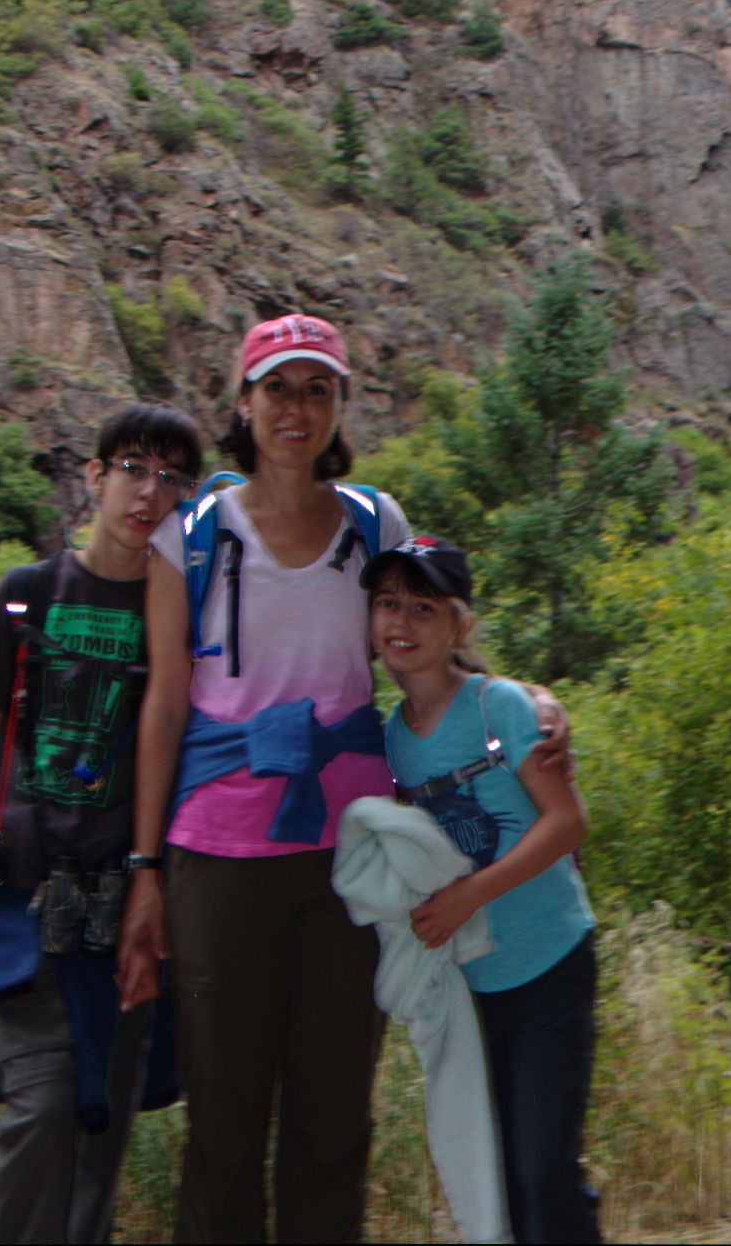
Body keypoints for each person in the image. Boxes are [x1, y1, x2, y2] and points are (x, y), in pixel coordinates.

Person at [118, 311, 570, 1244]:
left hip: (352, 855)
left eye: (317, 388)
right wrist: (144, 869)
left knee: (334, 1117)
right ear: (244, 402)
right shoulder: (192, 532)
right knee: (225, 1121)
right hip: (218, 848)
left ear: (339, 406)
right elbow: (162, 706)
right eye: (278, 387)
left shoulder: (374, 522)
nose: (296, 407)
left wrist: (518, 691)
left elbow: (428, 634)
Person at [0, 400, 202, 1246]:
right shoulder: (24, 596)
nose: (148, 493)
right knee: (43, 1099)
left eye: (170, 478)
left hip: (120, 898)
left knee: (101, 1122)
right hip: (21, 885)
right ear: (94, 474)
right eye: (132, 468)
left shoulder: (181, 614)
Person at [365, 534, 602, 1246]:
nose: (401, 623)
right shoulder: (391, 739)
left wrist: (470, 894)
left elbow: (567, 823)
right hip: (472, 987)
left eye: (423, 607)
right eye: (387, 603)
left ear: (460, 625)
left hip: (549, 962)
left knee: (542, 1170)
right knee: (498, 1174)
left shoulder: (501, 708)